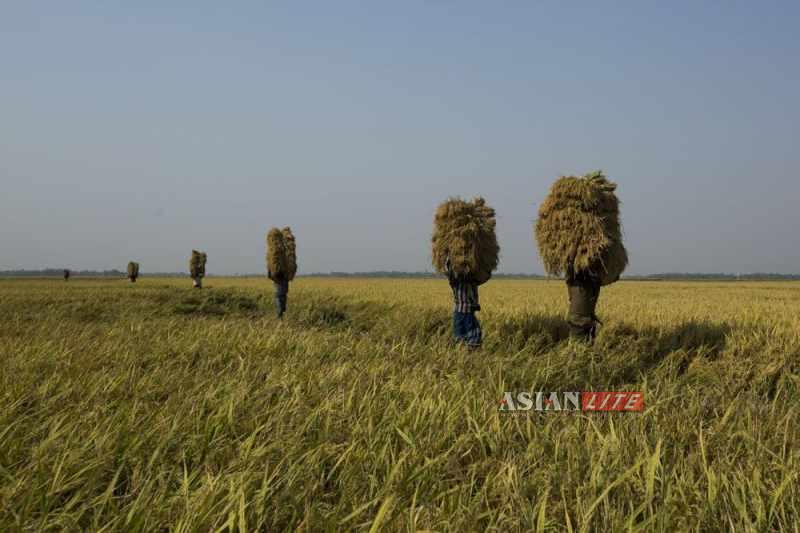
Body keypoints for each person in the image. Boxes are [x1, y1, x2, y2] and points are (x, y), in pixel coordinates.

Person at [446, 257, 484, 349]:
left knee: (461, 338)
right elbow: (483, 276)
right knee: (473, 337)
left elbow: (484, 276)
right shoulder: (458, 279)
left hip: (461, 312)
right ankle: (470, 357)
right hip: (465, 312)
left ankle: (463, 357)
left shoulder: (469, 280)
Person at [565, 261, 602, 343]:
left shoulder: (572, 285)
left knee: (577, 345)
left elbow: (569, 271)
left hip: (578, 321)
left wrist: (571, 260)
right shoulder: (592, 287)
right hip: (583, 322)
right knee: (584, 344)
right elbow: (598, 280)